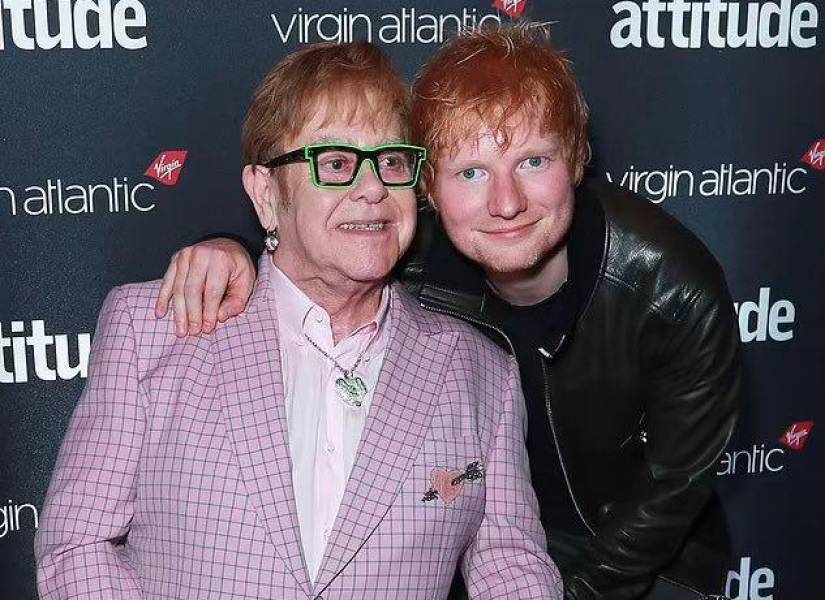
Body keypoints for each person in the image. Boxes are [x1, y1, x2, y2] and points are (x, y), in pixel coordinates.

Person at [155, 27, 742, 600]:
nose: (506, 202)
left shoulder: (673, 286)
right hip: (479, 540)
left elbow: (671, 491)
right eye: (471, 172)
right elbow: (309, 239)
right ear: (428, 185)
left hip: (642, 558)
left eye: (534, 161)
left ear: (578, 160)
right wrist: (228, 250)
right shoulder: (405, 251)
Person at [35, 41, 562, 600]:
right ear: (266, 194)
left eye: (392, 161)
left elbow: (511, 568)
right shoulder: (154, 328)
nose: (373, 188)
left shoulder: (483, 374)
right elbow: (76, 546)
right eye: (336, 163)